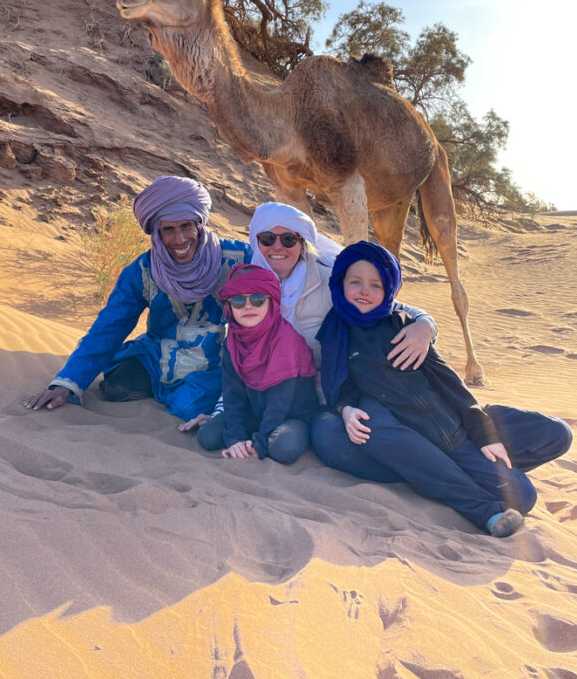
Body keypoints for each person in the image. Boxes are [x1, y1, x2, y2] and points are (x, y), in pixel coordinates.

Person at [316, 240, 572, 537]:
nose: (364, 291)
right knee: (523, 497)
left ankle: (458, 472)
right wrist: (345, 409)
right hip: (405, 436)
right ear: (340, 283)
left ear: (389, 288)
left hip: (454, 429)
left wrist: (483, 433)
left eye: (376, 285)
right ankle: (478, 504)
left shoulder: (404, 324)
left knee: (556, 437)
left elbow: (450, 383)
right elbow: (337, 383)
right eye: (355, 282)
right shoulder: (335, 330)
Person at [184, 201, 438, 448]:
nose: (277, 247)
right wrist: (222, 411)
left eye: (288, 239)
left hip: (312, 397)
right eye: (267, 239)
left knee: (295, 445)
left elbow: (389, 306)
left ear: (303, 243)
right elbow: (239, 355)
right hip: (256, 397)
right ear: (256, 242)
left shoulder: (329, 282)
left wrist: (425, 326)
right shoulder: (248, 288)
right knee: (210, 436)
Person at [23, 176, 249, 421]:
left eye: (186, 226)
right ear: (156, 233)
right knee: (116, 385)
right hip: (159, 356)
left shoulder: (239, 259)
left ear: (199, 224)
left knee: (191, 407)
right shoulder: (142, 271)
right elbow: (110, 326)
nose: (180, 239)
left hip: (216, 360)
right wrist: (66, 384)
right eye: (168, 230)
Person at [205, 263, 319, 464]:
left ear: (271, 302)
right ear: (230, 307)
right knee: (207, 437)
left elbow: (280, 402)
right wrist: (235, 438)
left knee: (283, 448)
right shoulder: (233, 341)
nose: (248, 306)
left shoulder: (286, 340)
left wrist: (259, 445)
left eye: (257, 299)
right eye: (238, 301)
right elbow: (232, 395)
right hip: (255, 413)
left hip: (291, 416)